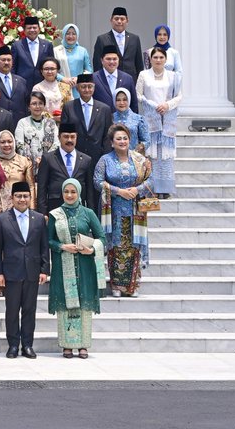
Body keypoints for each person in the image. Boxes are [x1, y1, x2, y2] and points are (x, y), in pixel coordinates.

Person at [48, 178, 106, 358]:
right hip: (62, 264)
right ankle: (67, 344)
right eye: (66, 192)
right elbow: (48, 240)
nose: (70, 195)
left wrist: (91, 249)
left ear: (79, 193)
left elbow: (102, 237)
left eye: (73, 192)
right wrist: (62, 247)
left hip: (85, 265)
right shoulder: (55, 215)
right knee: (66, 301)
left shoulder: (88, 213)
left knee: (84, 302)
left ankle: (83, 345)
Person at [95, 124, 155, 298]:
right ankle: (116, 285)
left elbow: (150, 181)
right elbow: (97, 181)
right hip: (113, 211)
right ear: (112, 142)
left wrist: (137, 190)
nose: (122, 141)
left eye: (125, 138)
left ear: (130, 140)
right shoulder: (105, 160)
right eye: (118, 139)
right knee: (116, 246)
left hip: (135, 210)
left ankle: (133, 285)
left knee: (133, 246)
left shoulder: (140, 159)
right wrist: (118, 191)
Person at [0, 180, 49, 358]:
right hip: (11, 271)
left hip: (32, 271)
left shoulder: (39, 219)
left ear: (30, 198)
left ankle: (27, 344)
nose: (22, 199)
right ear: (12, 198)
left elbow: (43, 246)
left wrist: (44, 270)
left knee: (29, 309)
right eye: (18, 196)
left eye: (25, 196)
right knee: (12, 310)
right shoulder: (2, 219)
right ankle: (13, 345)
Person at [136, 46, 182, 197]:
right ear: (150, 59)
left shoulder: (173, 76)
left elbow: (179, 96)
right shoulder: (144, 75)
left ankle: (166, 188)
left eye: (161, 57)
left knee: (165, 155)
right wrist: (152, 104)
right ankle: (152, 189)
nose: (158, 60)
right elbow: (138, 94)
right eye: (155, 57)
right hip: (150, 118)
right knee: (152, 155)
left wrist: (167, 105)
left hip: (167, 118)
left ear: (166, 59)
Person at [37, 123, 97, 214]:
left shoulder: (86, 159)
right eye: (66, 136)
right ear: (59, 137)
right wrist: (43, 214)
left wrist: (91, 213)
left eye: (72, 137)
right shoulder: (48, 158)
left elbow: (90, 191)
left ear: (77, 137)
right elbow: (42, 189)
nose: (69, 140)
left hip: (79, 211)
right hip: (55, 209)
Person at [62, 73, 112, 163]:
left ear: (94, 88)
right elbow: (64, 132)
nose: (87, 90)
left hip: (98, 156)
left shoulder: (104, 109)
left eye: (90, 86)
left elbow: (107, 136)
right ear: (77, 88)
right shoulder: (69, 107)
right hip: (75, 156)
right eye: (83, 87)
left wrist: (105, 157)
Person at [92, 6, 145, 79]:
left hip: (131, 80)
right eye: (116, 19)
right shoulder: (102, 39)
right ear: (111, 20)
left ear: (127, 21)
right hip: (109, 79)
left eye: (122, 19)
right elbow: (97, 64)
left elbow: (139, 64)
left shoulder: (134, 39)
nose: (119, 21)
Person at [15, 91, 59, 174]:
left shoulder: (51, 123)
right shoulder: (22, 122)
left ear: (44, 105)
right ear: (28, 106)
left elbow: (56, 144)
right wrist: (33, 160)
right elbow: (19, 144)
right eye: (34, 103)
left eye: (40, 103)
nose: (37, 106)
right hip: (27, 166)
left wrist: (44, 159)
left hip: (48, 165)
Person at [11, 16, 54, 90]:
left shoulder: (47, 45)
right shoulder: (17, 46)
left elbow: (52, 65)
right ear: (24, 30)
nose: (32, 30)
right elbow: (13, 67)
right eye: (29, 28)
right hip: (22, 86)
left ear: (39, 29)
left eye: (34, 28)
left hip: (43, 85)